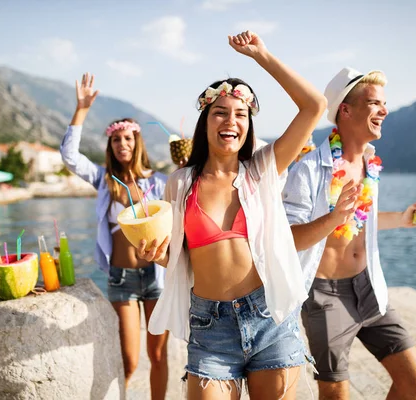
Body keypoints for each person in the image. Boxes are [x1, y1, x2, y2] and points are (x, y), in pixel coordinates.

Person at [138, 31, 327, 399]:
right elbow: (176, 255)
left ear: (249, 124)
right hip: (210, 327)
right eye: (220, 112)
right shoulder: (180, 184)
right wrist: (154, 254)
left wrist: (262, 56)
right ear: (205, 121)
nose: (231, 120)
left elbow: (314, 105)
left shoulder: (263, 170)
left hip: (269, 318)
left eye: (240, 114)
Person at [283, 67, 416, 399]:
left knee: (415, 382)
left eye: (384, 103)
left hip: (368, 287)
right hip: (325, 296)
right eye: (374, 103)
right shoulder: (308, 169)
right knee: (336, 394)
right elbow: (289, 238)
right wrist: (333, 217)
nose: (384, 111)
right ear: (346, 109)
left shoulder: (370, 164)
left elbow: (362, 218)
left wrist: (404, 218)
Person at [60, 73, 169, 399]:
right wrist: (81, 109)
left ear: (137, 143)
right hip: (122, 279)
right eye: (116, 140)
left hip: (156, 277)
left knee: (160, 355)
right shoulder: (103, 180)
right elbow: (69, 157)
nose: (122, 144)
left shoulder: (159, 183)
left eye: (128, 139)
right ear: (111, 145)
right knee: (130, 359)